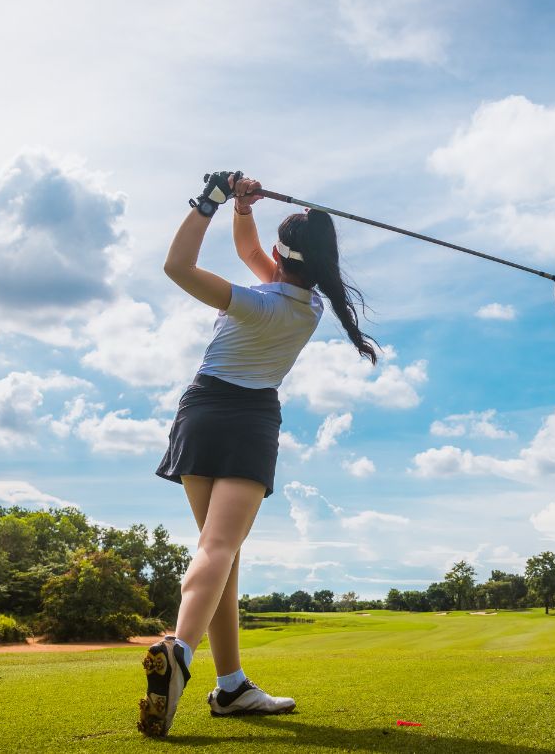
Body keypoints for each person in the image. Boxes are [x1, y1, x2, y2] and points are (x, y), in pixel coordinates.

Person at [138, 172, 379, 737]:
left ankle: (229, 686)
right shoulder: (309, 306)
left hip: (200, 413)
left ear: (280, 254)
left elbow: (176, 267)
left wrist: (211, 202)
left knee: (218, 552)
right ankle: (181, 653)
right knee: (220, 549)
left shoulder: (252, 301)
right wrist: (243, 209)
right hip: (250, 422)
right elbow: (252, 251)